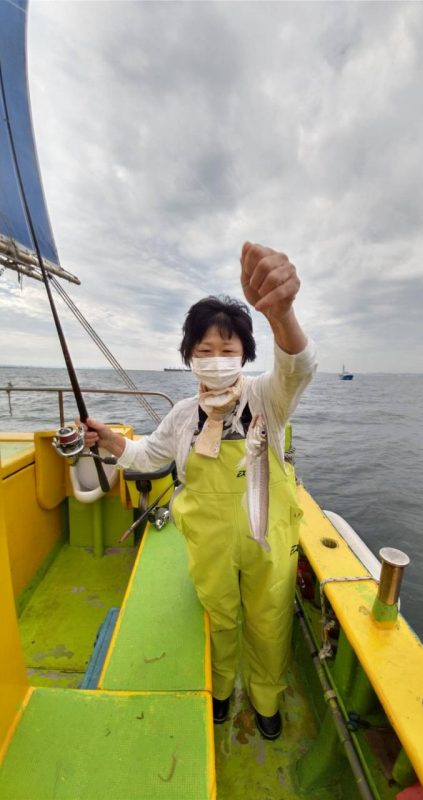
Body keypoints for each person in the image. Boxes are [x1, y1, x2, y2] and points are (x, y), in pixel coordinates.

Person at [85, 241, 317, 740]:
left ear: (245, 356)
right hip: (208, 539)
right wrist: (113, 442)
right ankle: (219, 690)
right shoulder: (184, 415)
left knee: (269, 618)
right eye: (204, 352)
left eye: (227, 351)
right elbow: (150, 456)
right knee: (221, 616)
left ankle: (266, 698)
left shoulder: (265, 399)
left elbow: (297, 368)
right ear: (189, 357)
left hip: (268, 535)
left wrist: (282, 314)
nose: (215, 360)